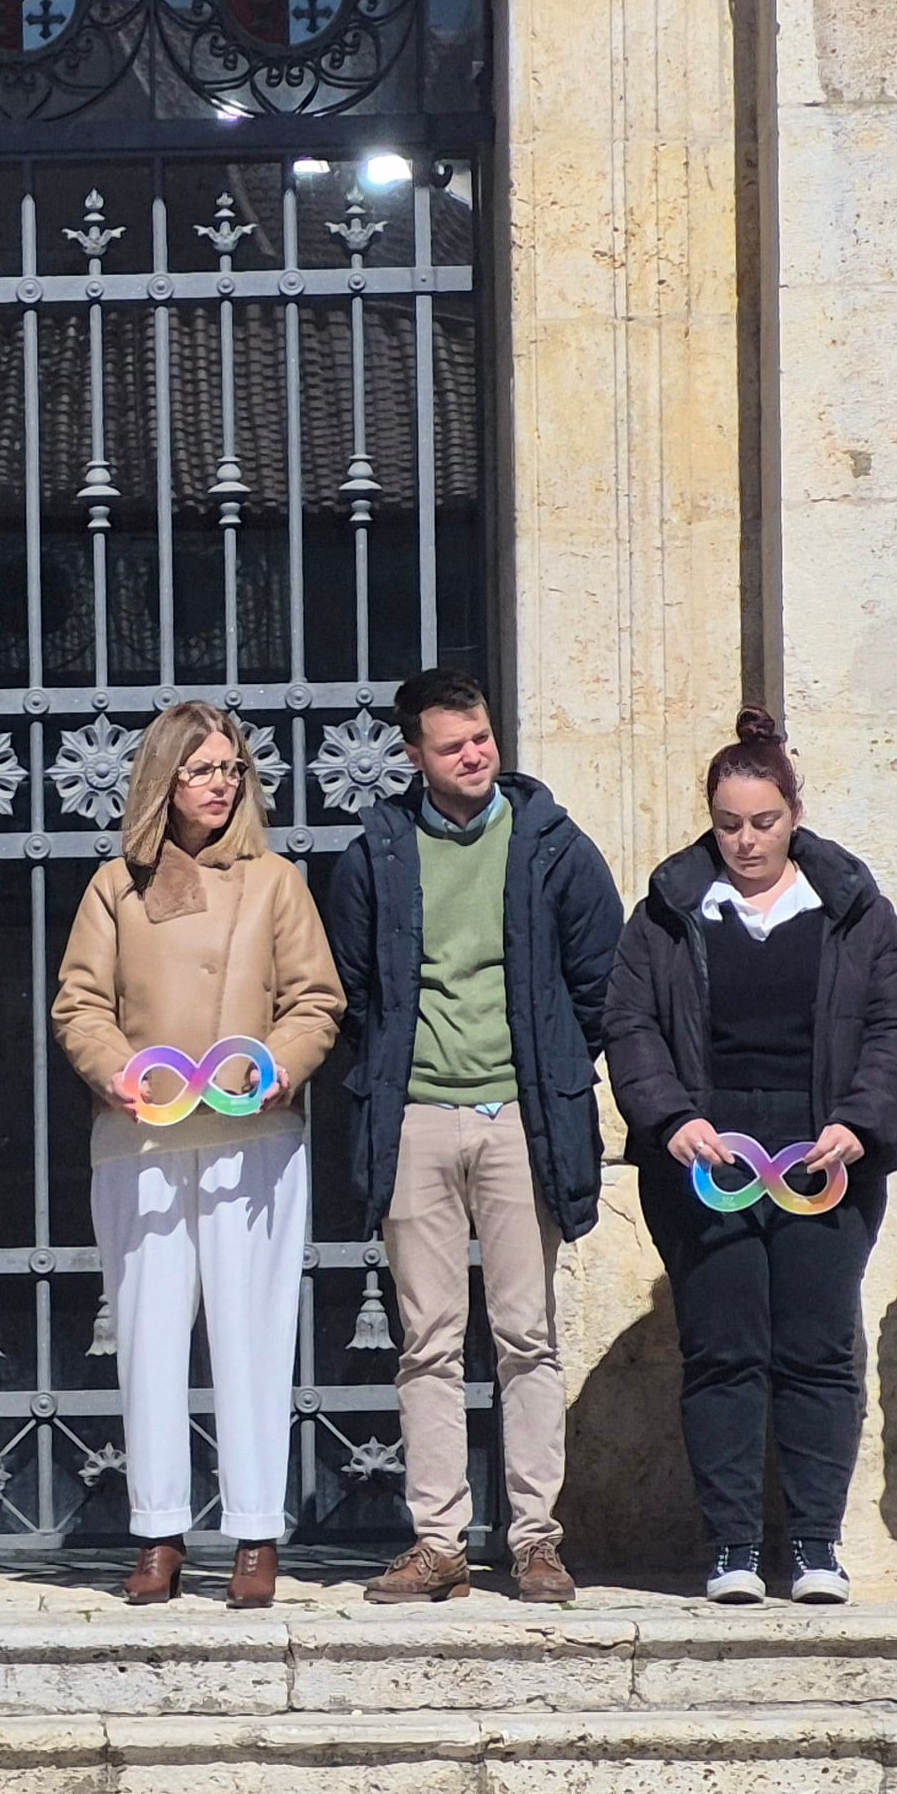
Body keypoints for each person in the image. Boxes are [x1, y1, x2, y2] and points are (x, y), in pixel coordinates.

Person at [602, 710, 897, 1606]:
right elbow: (628, 1025)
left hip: (826, 1154)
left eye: (764, 822)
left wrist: (861, 1122)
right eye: (729, 824)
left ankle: (817, 1545)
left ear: (794, 812)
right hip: (707, 1158)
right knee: (724, 1347)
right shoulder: (668, 912)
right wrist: (669, 1117)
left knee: (820, 1346)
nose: (746, 842)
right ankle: (733, 1547)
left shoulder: (854, 909)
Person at [321, 669, 621, 1606]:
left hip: (518, 1116)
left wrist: (554, 1079)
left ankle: (535, 1541)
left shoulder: (553, 847)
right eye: (452, 746)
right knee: (429, 1340)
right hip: (414, 1116)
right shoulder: (375, 853)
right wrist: (392, 1083)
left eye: (483, 738)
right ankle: (440, 1542)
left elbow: (599, 983)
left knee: (527, 1333)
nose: (475, 756)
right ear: (413, 755)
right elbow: (354, 990)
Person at [51, 702, 344, 1609]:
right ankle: (158, 1533)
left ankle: (256, 1534)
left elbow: (314, 1001)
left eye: (231, 771)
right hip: (142, 1134)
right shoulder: (115, 885)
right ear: (163, 782)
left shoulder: (275, 882)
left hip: (251, 1135)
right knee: (147, 1335)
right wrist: (120, 1071)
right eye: (202, 770)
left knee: (252, 1335)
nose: (220, 786)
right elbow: (79, 1005)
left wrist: (278, 1069)